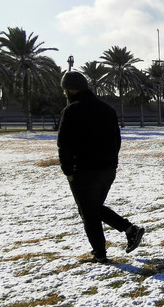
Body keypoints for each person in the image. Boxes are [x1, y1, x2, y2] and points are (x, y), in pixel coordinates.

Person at [57, 71, 144, 263]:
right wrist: (113, 162)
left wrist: (68, 171)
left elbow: (64, 144)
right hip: (107, 170)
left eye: (65, 89)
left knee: (89, 212)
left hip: (84, 171)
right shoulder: (107, 109)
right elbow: (116, 139)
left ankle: (101, 253)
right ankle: (129, 231)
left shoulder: (71, 111)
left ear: (69, 89)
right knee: (92, 209)